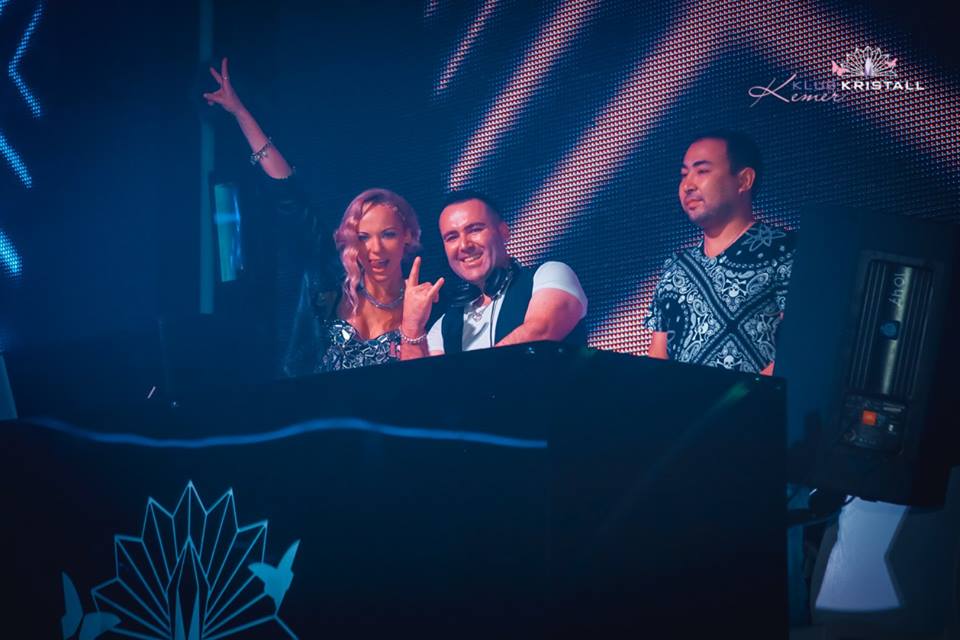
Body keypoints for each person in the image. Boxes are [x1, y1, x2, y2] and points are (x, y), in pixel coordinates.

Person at [204, 58, 421, 373]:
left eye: (387, 234)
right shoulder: (330, 280)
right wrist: (240, 112)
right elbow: (288, 195)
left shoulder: (426, 300)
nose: (375, 249)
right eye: (363, 237)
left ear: (408, 236)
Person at [646, 131, 796, 374]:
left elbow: (800, 344)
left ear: (744, 180)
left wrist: (743, 394)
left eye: (702, 171)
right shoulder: (676, 266)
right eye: (684, 174)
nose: (687, 185)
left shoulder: (785, 250)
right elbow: (657, 355)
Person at [400, 192, 587, 358]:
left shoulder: (550, 275)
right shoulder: (446, 325)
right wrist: (412, 326)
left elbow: (539, 333)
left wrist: (468, 379)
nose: (464, 245)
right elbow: (420, 382)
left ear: (503, 232)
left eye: (475, 229)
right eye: (452, 237)